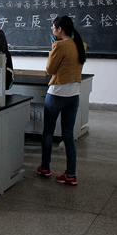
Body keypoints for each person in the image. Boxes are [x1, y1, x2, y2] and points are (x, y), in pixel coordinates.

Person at [37, 15, 87, 186]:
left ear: (60, 29)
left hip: (57, 94)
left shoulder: (60, 46)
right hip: (74, 96)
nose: (52, 30)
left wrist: (53, 49)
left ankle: (45, 168)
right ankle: (71, 174)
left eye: (53, 28)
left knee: (48, 132)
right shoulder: (80, 45)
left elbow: (50, 69)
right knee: (68, 135)